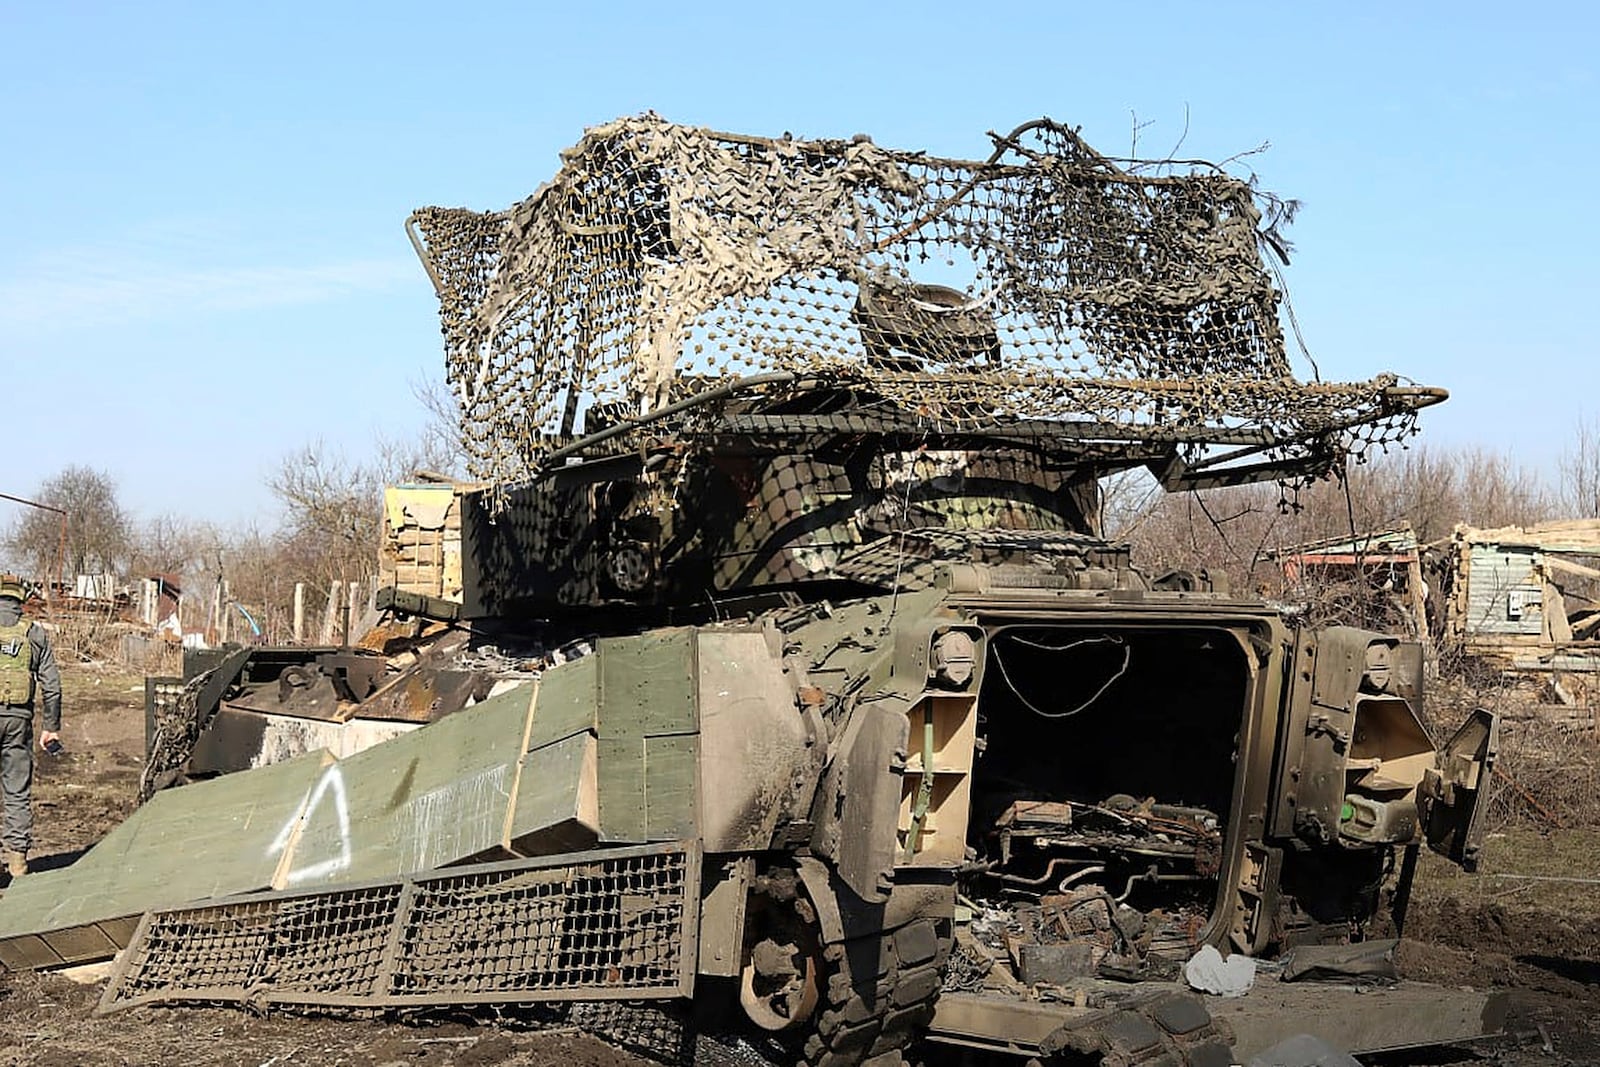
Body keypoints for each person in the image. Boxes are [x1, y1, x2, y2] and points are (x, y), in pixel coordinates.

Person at [0, 575, 61, 878]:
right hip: (17, 721)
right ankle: (18, 863)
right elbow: (52, 685)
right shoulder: (32, 632)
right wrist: (50, 727)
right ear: (21, 600)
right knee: (16, 791)